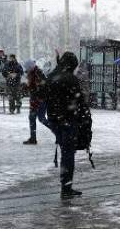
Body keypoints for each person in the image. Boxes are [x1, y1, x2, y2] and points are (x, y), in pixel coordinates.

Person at [46, 52, 87, 199]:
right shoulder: (71, 79)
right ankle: (66, 187)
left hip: (54, 120)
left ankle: (66, 186)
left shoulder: (51, 76)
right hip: (68, 121)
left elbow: (44, 95)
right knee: (68, 154)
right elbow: (79, 101)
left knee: (65, 151)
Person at [23, 60, 49, 145]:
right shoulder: (32, 73)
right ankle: (33, 138)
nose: (26, 70)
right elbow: (32, 86)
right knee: (32, 118)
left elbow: (43, 87)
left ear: (31, 67)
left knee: (41, 118)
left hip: (40, 100)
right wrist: (26, 87)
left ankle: (58, 133)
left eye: (27, 68)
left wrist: (39, 96)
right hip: (35, 99)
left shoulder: (38, 74)